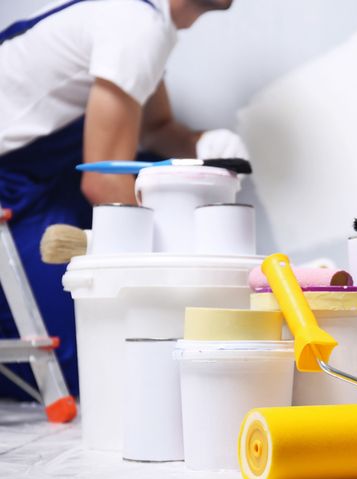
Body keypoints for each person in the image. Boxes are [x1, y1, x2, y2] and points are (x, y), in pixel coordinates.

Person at [0, 0, 248, 398]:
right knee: (84, 364)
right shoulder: (135, 25)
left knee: (152, 173)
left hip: (44, 176)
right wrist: (171, 271)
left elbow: (155, 129)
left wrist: (202, 146)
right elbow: (103, 182)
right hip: (12, 186)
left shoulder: (146, 21)